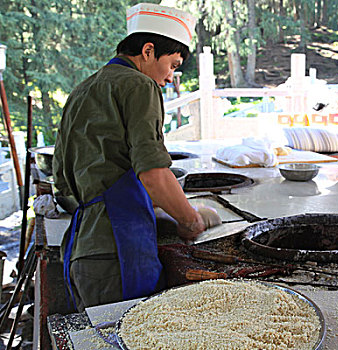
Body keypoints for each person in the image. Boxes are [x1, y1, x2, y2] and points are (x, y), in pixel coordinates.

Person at [53, 3, 220, 311]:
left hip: (82, 251)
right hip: (119, 253)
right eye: (171, 64)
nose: (171, 76)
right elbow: (153, 173)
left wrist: (151, 204)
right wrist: (190, 218)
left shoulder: (81, 90)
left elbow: (63, 182)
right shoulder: (139, 85)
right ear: (147, 51)